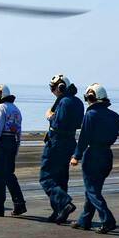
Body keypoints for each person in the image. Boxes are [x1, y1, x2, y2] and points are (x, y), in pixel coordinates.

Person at [70, 83, 119, 233]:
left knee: (92, 191)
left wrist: (76, 156)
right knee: (93, 189)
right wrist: (111, 133)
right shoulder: (112, 114)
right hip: (107, 155)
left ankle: (107, 219)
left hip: (93, 155)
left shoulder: (90, 115)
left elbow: (84, 138)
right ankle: (85, 220)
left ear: (91, 98)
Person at [39, 74, 83, 223]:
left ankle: (64, 204)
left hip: (57, 142)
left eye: (53, 88)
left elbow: (59, 123)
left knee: (46, 178)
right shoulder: (77, 102)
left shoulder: (64, 102)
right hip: (69, 141)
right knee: (61, 178)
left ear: (60, 87)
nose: (53, 91)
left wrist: (50, 115)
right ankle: (58, 211)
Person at [0, 83, 26, 217]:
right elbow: (19, 132)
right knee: (9, 174)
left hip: (2, 143)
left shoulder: (0, 108)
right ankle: (19, 204)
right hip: (12, 142)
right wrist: (17, 148)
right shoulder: (16, 109)